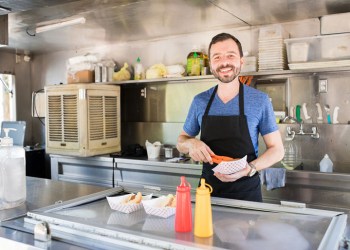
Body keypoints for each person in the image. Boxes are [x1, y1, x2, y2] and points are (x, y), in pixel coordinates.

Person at [176, 33, 284, 202]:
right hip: (208, 194)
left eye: (230, 55)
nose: (224, 62)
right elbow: (181, 142)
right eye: (217, 57)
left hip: (246, 194)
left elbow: (277, 150)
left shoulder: (259, 100)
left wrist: (250, 168)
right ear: (211, 64)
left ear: (241, 61)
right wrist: (191, 143)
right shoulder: (200, 101)